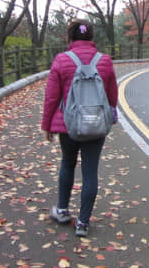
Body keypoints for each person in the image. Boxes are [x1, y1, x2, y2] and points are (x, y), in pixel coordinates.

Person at [41, 20, 118, 237]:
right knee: (90, 172)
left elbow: (52, 97)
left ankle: (63, 210)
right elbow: (112, 95)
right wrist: (110, 116)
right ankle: (83, 223)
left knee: (67, 163)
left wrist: (47, 125)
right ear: (91, 36)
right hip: (95, 124)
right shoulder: (104, 60)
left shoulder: (62, 60)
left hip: (68, 125)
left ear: (70, 37)